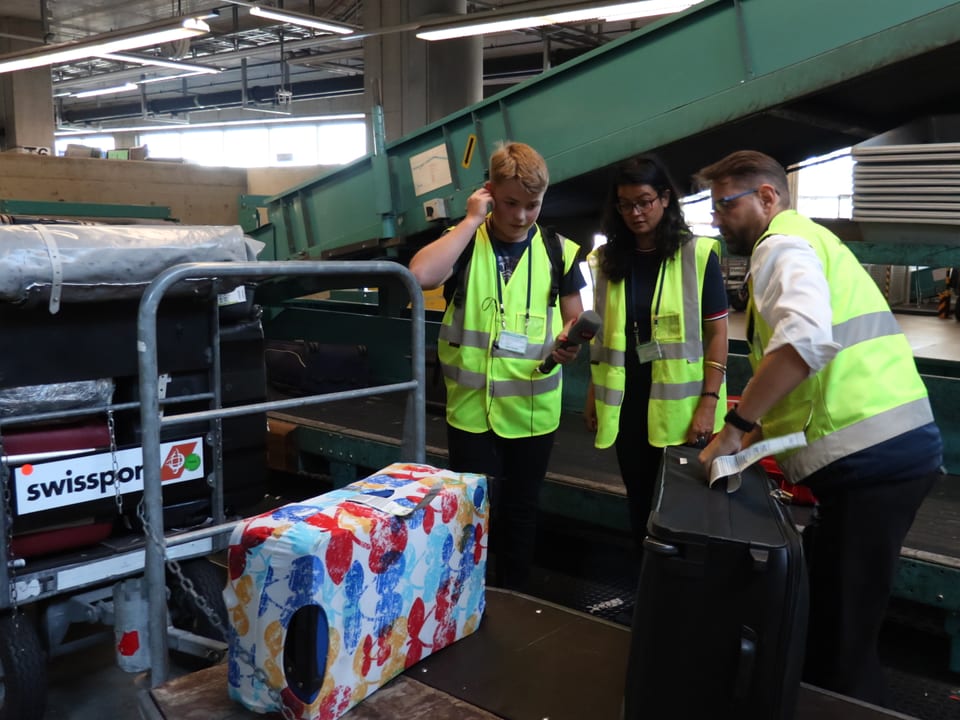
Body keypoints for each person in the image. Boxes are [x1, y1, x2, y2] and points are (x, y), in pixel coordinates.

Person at [695, 150, 943, 706]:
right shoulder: (810, 240)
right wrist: (753, 446)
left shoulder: (780, 246)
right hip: (883, 452)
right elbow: (811, 397)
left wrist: (735, 429)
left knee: (841, 640)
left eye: (724, 205)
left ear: (767, 197)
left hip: (875, 460)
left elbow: (803, 342)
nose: (716, 219)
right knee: (832, 610)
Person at [408, 141, 586, 591]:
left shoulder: (559, 251)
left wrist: (570, 341)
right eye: (510, 203)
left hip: (532, 410)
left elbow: (573, 317)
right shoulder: (467, 240)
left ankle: (513, 593)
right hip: (471, 409)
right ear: (489, 193)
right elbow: (420, 276)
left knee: (522, 507)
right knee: (470, 508)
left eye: (533, 205)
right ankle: (467, 595)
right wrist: (471, 220)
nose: (522, 216)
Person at [584, 155, 729, 559]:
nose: (635, 213)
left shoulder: (698, 255)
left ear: (665, 198)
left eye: (644, 201)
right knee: (639, 502)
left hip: (683, 410)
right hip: (627, 404)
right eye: (625, 204)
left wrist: (708, 401)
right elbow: (603, 335)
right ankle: (647, 585)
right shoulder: (606, 261)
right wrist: (594, 392)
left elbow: (718, 334)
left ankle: (683, 593)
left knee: (685, 508)